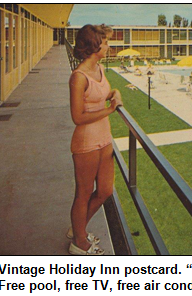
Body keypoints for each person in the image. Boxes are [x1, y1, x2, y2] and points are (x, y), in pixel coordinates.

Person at [68, 24, 123, 255]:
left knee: (104, 191)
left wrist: (114, 93)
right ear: (94, 45)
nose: (109, 47)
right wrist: (110, 110)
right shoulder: (78, 77)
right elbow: (78, 117)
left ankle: (77, 228)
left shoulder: (99, 69)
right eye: (106, 42)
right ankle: (78, 242)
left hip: (104, 138)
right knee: (83, 192)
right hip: (86, 142)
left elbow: (99, 95)